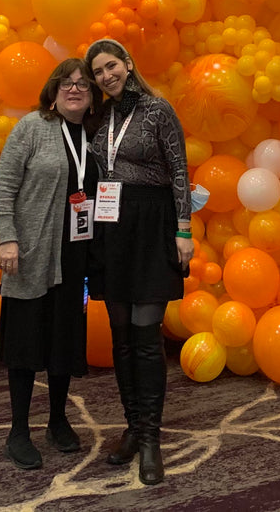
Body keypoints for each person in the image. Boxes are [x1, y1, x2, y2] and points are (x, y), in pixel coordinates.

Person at [84, 38, 193, 486]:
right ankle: (132, 427)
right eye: (98, 72)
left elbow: (179, 169)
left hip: (152, 224)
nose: (106, 76)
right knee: (122, 337)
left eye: (111, 66)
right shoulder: (100, 116)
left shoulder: (157, 109)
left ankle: (150, 440)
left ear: (127, 64)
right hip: (111, 227)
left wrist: (183, 230)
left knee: (147, 338)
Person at [0, 58, 100, 470]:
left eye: (83, 84)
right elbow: (3, 186)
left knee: (63, 340)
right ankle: (18, 431)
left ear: (92, 96)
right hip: (31, 254)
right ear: (53, 91)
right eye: (66, 83)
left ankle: (57, 420)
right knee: (24, 343)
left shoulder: (95, 135)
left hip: (75, 255)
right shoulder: (33, 127)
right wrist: (8, 238)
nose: (74, 89)